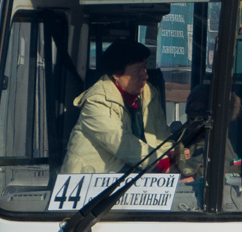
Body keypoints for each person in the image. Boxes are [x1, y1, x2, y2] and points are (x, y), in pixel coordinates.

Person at [59, 41, 170, 174]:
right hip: (91, 183)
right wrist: (162, 163)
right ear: (117, 74)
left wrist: (174, 155)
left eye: (145, 67)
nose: (145, 75)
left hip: (133, 180)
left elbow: (161, 135)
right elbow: (121, 142)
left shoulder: (148, 93)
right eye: (138, 69)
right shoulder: (97, 101)